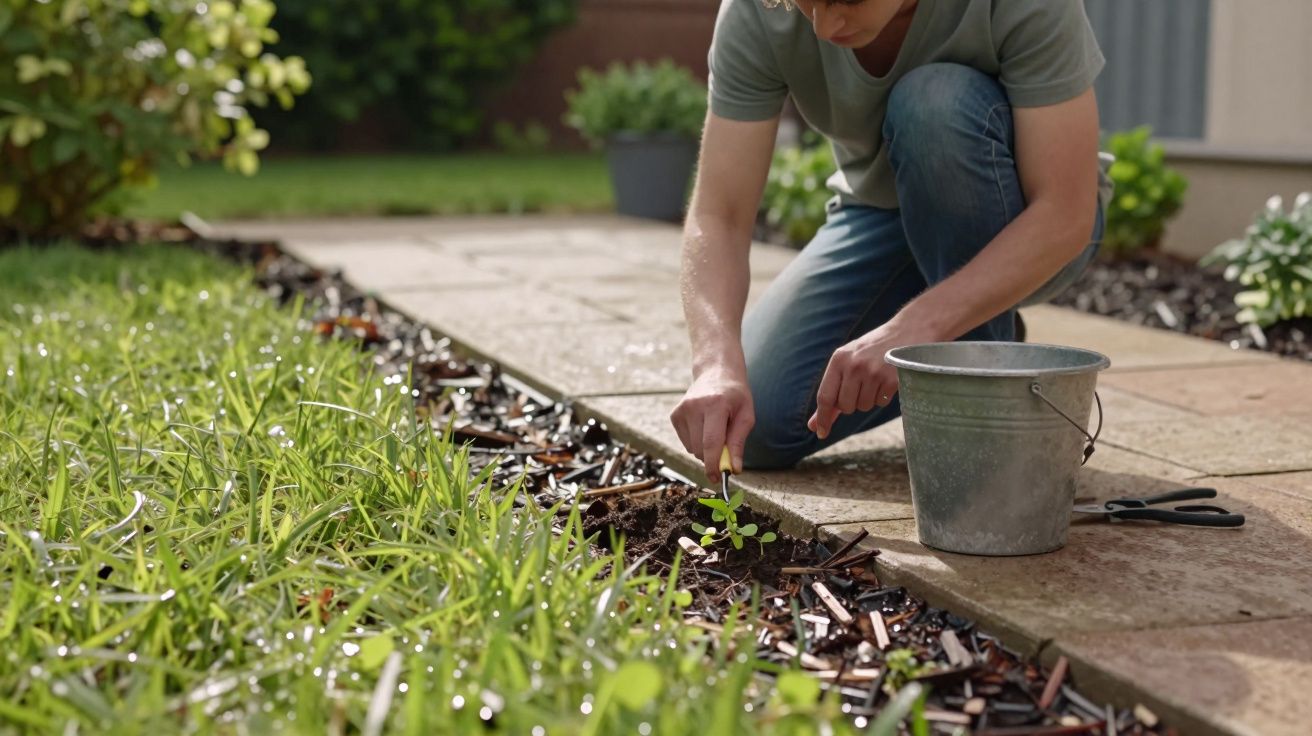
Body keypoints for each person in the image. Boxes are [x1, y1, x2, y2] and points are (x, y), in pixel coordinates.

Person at [670, 0, 1113, 482]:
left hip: (1025, 222)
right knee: (756, 420)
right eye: (805, 4)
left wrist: (909, 331)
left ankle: (980, 373)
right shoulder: (757, 10)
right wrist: (715, 365)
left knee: (932, 102)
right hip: (880, 217)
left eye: (847, 1)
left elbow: (1066, 214)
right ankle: (978, 333)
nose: (824, 27)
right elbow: (721, 214)